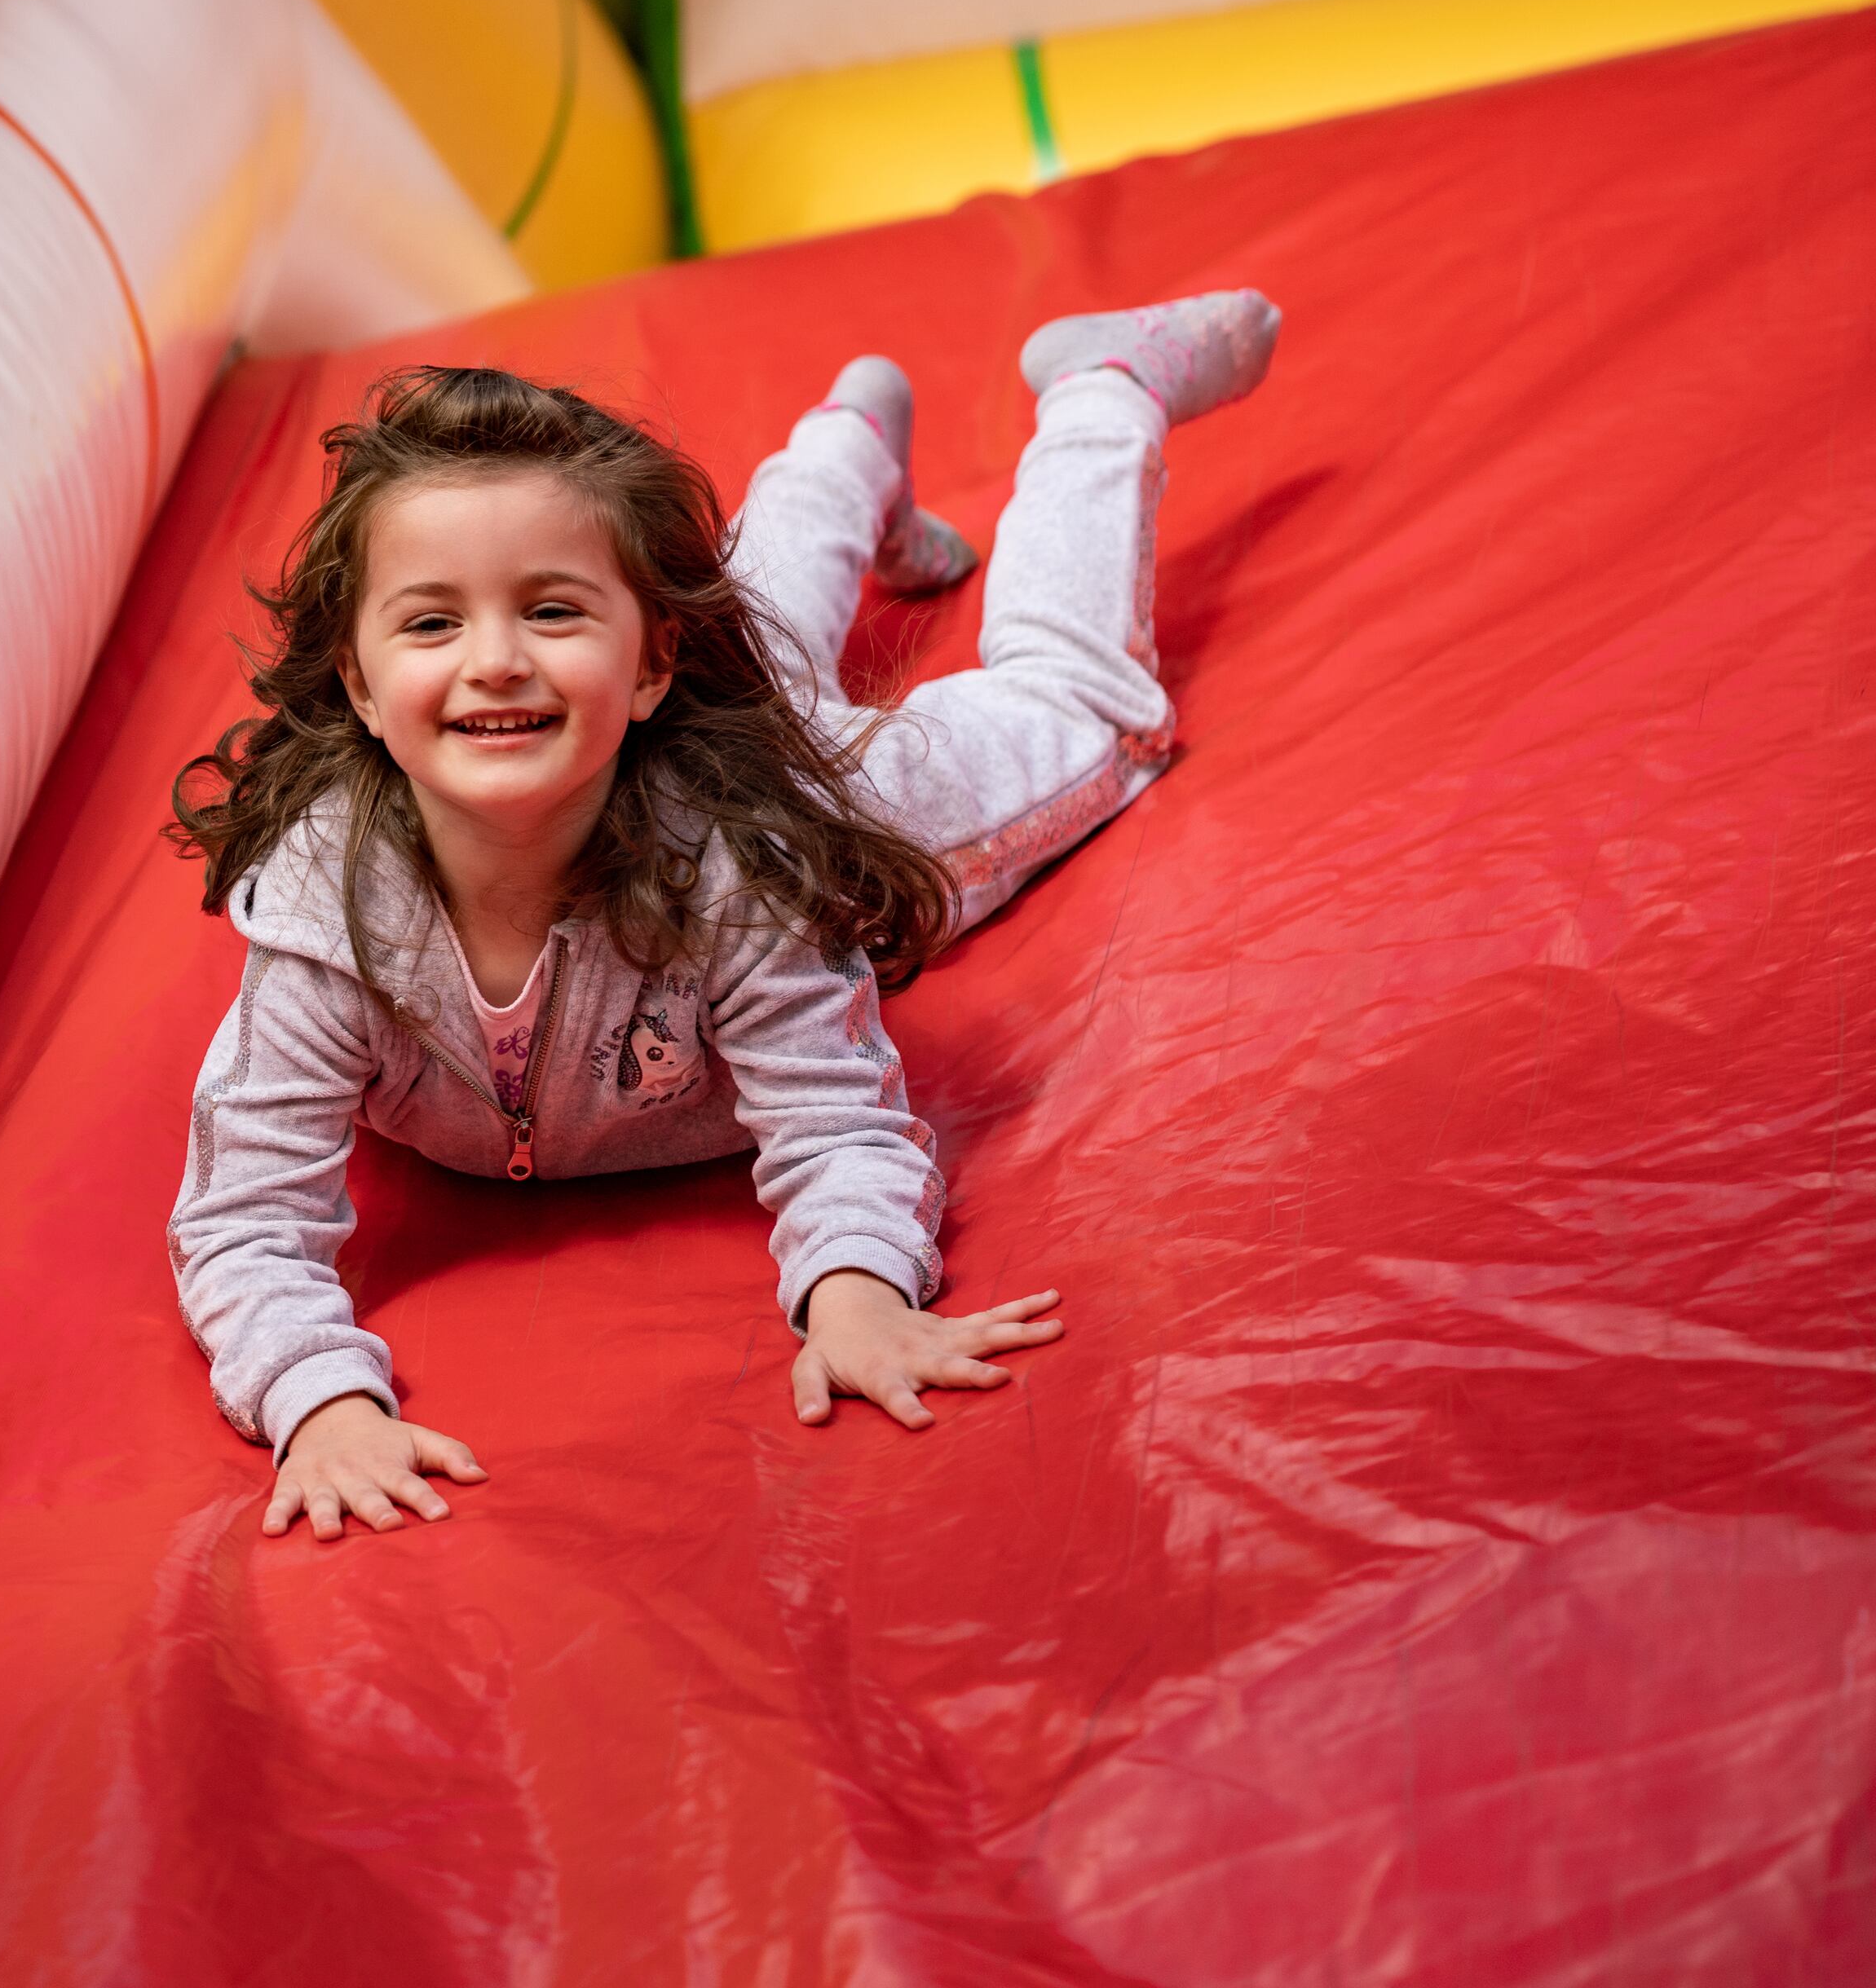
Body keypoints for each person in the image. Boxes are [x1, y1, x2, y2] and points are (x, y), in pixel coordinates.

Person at [165, 291, 1279, 1540]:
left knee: (1086, 715)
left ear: (653, 670)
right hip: (662, 731)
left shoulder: (741, 871)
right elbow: (244, 1219)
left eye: (546, 611)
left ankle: (1101, 388)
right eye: (433, 621)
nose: (494, 661)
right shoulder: (333, 924)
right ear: (362, 685)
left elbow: (836, 1119)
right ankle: (847, 447)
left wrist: (856, 1295)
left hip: (817, 802)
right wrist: (319, 1404)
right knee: (718, 637)